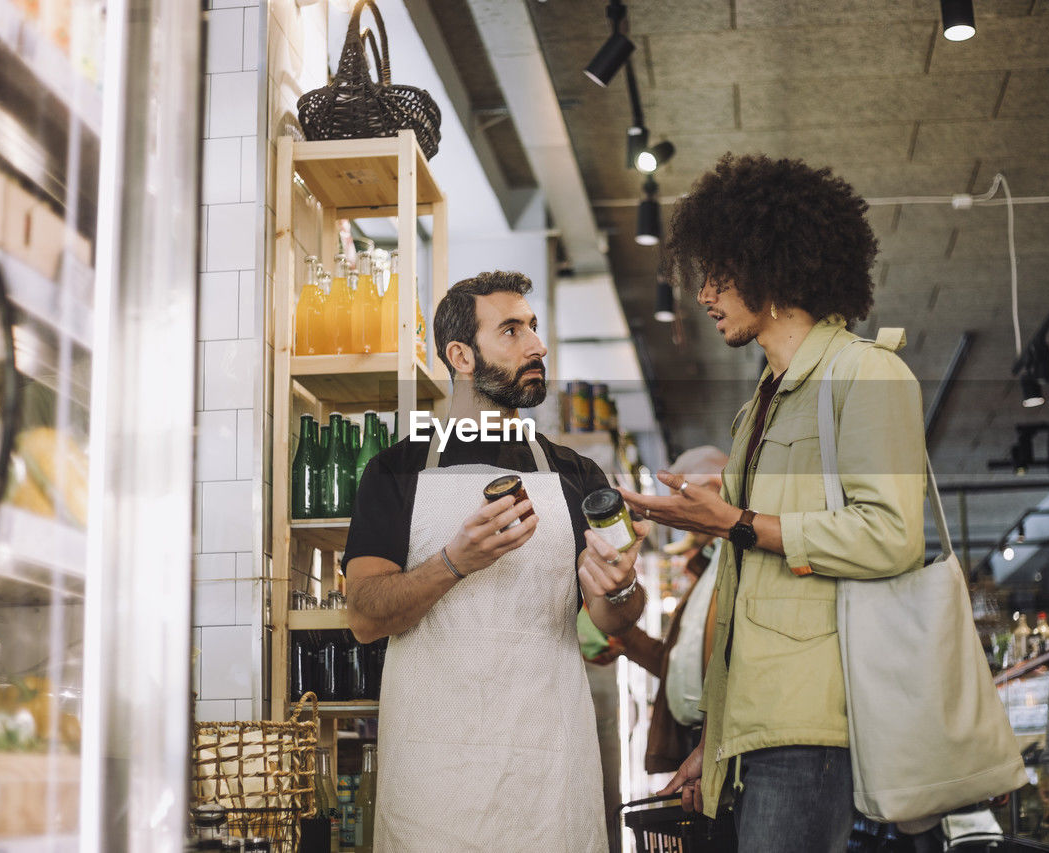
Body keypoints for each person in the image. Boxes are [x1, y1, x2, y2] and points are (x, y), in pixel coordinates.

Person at [619, 154, 929, 853]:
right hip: (758, 734)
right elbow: (743, 595)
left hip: (814, 728)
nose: (703, 293)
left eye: (720, 273)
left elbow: (893, 536)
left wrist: (735, 520)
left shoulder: (867, 371)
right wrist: (717, 746)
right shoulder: (757, 408)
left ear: (777, 266)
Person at [341, 270, 648, 851]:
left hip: (549, 764)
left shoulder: (579, 474)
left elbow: (615, 621)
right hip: (435, 773)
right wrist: (453, 562)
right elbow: (364, 616)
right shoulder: (393, 472)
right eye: (511, 330)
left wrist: (620, 587)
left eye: (533, 327)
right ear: (460, 354)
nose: (536, 346)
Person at [599, 446, 727, 775]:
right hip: (694, 744)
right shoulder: (708, 564)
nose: (679, 516)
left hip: (721, 747)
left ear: (716, 486)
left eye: (681, 497)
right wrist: (619, 631)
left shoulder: (738, 562)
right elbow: (678, 665)